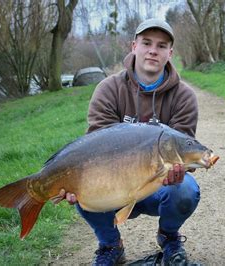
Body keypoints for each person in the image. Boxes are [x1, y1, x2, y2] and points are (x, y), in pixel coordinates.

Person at [59, 19, 199, 266]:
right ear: (134, 46)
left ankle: (169, 238)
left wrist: (180, 170)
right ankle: (110, 244)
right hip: (115, 185)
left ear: (170, 53)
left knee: (186, 189)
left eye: (161, 45)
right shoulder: (108, 89)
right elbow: (95, 148)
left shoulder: (184, 96)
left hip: (158, 184)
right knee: (82, 189)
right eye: (146, 43)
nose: (153, 50)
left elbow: (185, 150)